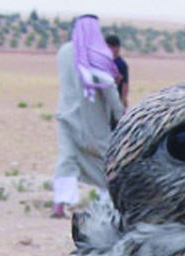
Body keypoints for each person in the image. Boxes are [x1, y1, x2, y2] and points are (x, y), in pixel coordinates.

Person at [51, 14, 125, 218]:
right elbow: (108, 85)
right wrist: (119, 112)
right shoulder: (96, 52)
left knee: (67, 157)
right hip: (92, 119)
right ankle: (110, 201)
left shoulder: (64, 52)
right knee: (106, 159)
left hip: (66, 115)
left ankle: (59, 203)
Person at [105, 34, 129, 108]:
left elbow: (125, 85)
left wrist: (123, 101)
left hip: (116, 99)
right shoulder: (104, 62)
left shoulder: (121, 64)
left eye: (109, 47)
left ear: (117, 47)